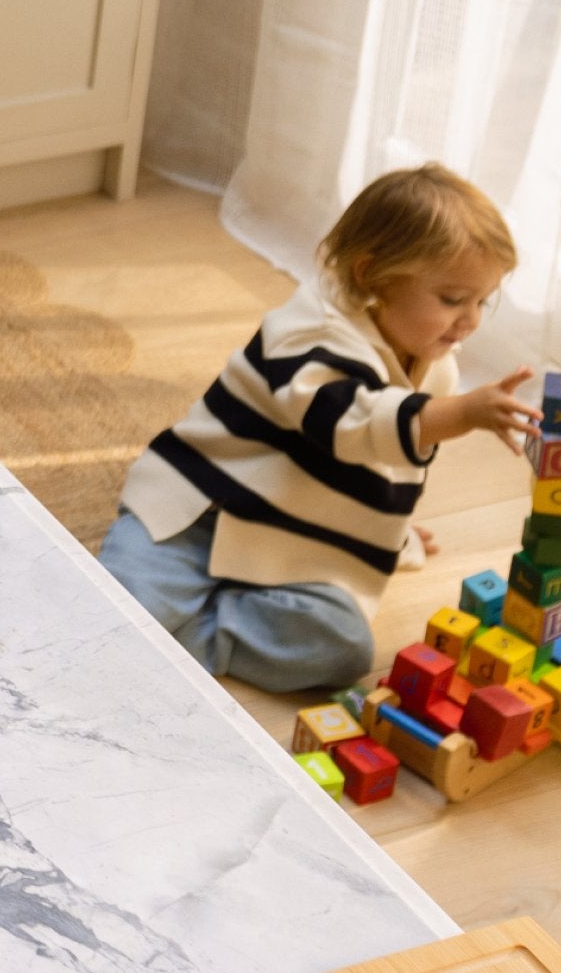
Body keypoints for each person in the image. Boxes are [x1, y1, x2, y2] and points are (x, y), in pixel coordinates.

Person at [101, 164, 538, 693]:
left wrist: (385, 530)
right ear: (369, 275)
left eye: (481, 301)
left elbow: (392, 459)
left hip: (299, 543)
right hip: (203, 514)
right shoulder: (307, 333)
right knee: (118, 610)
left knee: (343, 650)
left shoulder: (436, 364)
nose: (470, 320)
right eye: (451, 300)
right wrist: (462, 415)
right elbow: (351, 425)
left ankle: (204, 631)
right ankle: (163, 621)